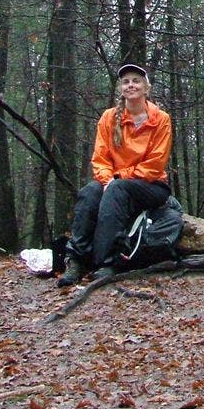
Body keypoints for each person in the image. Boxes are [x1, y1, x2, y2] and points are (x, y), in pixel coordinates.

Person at [57, 63, 173, 287]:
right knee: (90, 192)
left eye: (136, 81)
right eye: (126, 81)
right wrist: (107, 179)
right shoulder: (109, 117)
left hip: (151, 185)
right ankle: (77, 260)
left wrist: (118, 179)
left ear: (146, 87)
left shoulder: (161, 119)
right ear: (121, 88)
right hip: (113, 181)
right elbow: (100, 158)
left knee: (118, 190)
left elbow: (155, 163)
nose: (131, 85)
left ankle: (108, 262)